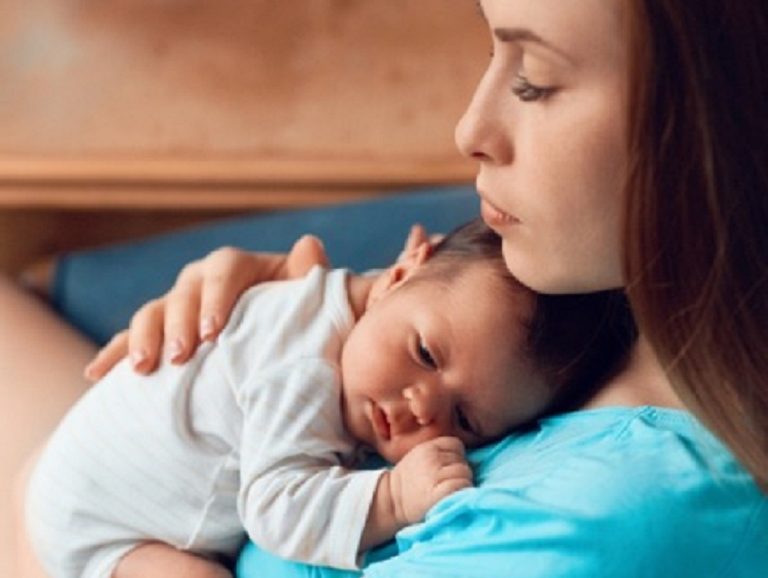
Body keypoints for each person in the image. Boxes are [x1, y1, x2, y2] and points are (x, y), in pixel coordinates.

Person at [4, 0, 767, 576]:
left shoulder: (594, 530)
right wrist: (289, 304)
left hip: (97, 521)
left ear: (714, 127)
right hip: (112, 444)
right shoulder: (570, 273)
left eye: (534, 80)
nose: (469, 126)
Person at [25, 220, 635, 578]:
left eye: (465, 418)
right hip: (105, 524)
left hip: (70, 455)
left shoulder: (365, 306)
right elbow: (274, 505)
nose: (423, 407)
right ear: (399, 273)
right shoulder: (303, 367)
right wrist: (393, 497)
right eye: (424, 353)